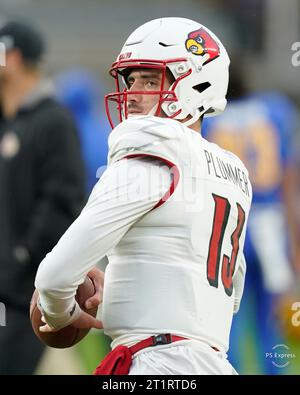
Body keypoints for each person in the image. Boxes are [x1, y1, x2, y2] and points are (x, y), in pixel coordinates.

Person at [35, 17, 252, 375]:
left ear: (197, 84)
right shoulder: (233, 173)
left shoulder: (152, 151)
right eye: (131, 79)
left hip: (157, 363)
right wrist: (118, 299)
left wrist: (62, 313)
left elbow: (54, 277)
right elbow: (223, 298)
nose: (133, 93)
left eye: (151, 80)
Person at [202, 62, 300, 374]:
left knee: (225, 320)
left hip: (229, 222)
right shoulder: (275, 110)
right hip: (270, 225)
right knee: (270, 321)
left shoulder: (210, 119)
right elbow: (287, 176)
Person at [0, 20, 85, 374]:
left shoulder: (54, 121)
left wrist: (21, 258)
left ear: (14, 57)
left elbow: (63, 201)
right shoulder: (8, 121)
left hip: (24, 296)